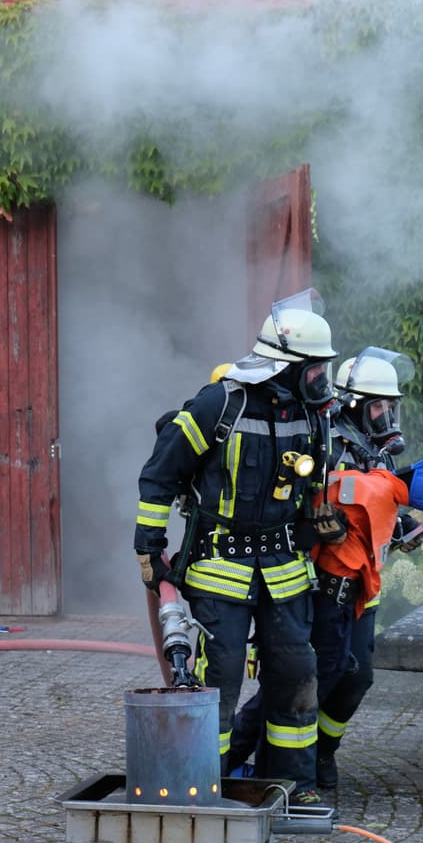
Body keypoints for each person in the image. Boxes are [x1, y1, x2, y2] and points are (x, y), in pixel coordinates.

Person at [134, 293, 345, 806]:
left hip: (285, 571)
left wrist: (322, 525)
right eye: (315, 372)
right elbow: (159, 475)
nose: (322, 383)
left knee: (296, 675)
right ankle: (210, 786)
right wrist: (151, 548)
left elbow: (311, 488)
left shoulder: (312, 418)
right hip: (218, 568)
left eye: (325, 372)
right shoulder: (219, 405)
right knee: (219, 682)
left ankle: (292, 787)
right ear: (284, 367)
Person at [228, 347, 423, 791]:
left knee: (357, 677)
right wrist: (317, 520)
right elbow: (295, 498)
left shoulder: (378, 453)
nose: (387, 417)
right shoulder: (325, 442)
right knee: (307, 676)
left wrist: (403, 528)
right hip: (322, 585)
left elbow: (375, 509)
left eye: (391, 407)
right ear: (352, 404)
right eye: (378, 407)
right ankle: (245, 757)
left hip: (362, 588)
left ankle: (320, 751)